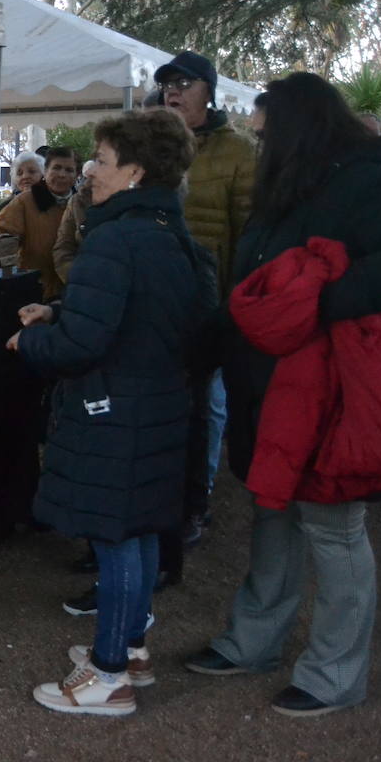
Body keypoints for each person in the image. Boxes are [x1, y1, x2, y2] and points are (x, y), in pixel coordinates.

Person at [184, 72, 381, 717]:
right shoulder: (288, 184)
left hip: (327, 387)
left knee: (333, 526)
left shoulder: (365, 182)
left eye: (264, 126)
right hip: (268, 383)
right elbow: (254, 282)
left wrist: (314, 306)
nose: (257, 137)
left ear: (295, 125)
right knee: (272, 510)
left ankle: (336, 672)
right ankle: (254, 640)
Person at [8, 109, 204, 716]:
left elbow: (84, 346)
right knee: (140, 531)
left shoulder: (114, 239)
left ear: (137, 173)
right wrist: (62, 312)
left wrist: (34, 340)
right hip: (159, 408)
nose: (92, 172)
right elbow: (139, 319)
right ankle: (131, 648)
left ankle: (108, 675)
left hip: (114, 412)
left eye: (104, 161)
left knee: (116, 536)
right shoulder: (175, 237)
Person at [155, 51, 257, 544]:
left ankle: (197, 500)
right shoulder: (152, 145)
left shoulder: (239, 151)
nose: (174, 90)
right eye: (168, 82)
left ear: (208, 91)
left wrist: (234, 305)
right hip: (154, 298)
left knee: (206, 404)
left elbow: (250, 234)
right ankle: (158, 496)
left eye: (186, 82)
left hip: (210, 300)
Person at [0, 146, 77, 301]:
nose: (62, 174)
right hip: (33, 292)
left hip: (74, 292)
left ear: (76, 175)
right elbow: (0, 238)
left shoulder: (82, 204)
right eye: (56, 168)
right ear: (45, 171)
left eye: (69, 170)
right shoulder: (24, 202)